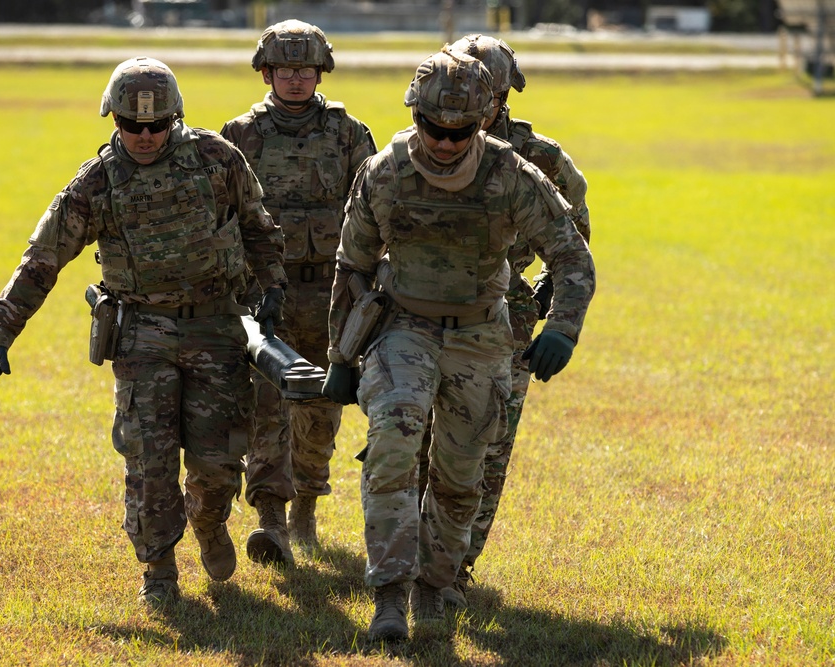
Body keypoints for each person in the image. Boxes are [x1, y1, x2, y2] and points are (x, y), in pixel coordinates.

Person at [0, 56, 288, 610]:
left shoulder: (217, 159)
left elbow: (259, 229)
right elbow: (42, 259)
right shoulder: (97, 183)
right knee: (149, 460)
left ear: (176, 119)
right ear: (112, 119)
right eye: (131, 125)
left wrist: (273, 289)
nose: (144, 137)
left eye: (156, 125)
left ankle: (209, 521)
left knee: (217, 466)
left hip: (216, 327)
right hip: (142, 332)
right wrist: (1, 333)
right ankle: (159, 573)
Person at [322, 48, 595, 641]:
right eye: (434, 129)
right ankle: (389, 597)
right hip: (403, 328)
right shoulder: (385, 172)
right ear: (414, 114)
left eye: (461, 132)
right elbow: (353, 266)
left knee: (459, 476)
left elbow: (572, 255)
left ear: (483, 119)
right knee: (393, 443)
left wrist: (562, 329)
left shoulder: (511, 174)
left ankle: (437, 588)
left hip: (480, 334)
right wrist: (341, 359)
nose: (445, 144)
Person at [417, 33, 593, 608]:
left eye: (483, 95)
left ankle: (454, 569)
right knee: (414, 444)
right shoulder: (419, 146)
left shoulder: (537, 158)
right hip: (420, 318)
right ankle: (409, 564)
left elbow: (574, 240)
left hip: (502, 322)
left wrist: (551, 311)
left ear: (501, 97)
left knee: (484, 453)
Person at [220, 19, 376, 567]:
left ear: (320, 72)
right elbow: (222, 215)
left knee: (322, 411)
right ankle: (271, 519)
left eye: (304, 70)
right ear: (266, 72)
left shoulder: (348, 132)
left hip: (335, 295)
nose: (294, 79)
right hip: (268, 296)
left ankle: (307, 502)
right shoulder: (239, 135)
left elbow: (374, 210)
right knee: (269, 407)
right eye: (284, 70)